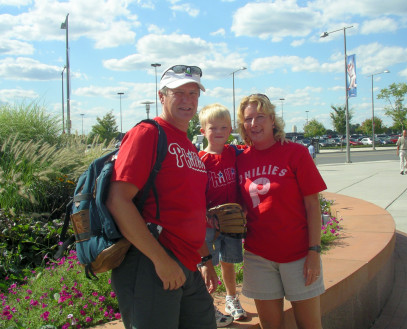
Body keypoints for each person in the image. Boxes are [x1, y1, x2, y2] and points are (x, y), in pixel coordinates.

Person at [106, 65, 217, 329]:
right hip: (152, 262)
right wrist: (160, 260)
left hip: (187, 264)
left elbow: (190, 209)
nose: (187, 100)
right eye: (178, 93)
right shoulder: (148, 133)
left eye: (193, 93)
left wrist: (206, 260)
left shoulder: (189, 145)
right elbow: (117, 200)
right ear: (161, 96)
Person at [236, 94, 326, 329]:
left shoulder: (295, 152)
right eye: (248, 119)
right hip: (258, 256)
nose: (254, 124)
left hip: (299, 255)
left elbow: (312, 205)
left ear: (273, 120)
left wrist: (314, 252)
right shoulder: (241, 159)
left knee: (309, 325)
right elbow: (244, 201)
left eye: (260, 117)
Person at [198, 103, 246, 327]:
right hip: (208, 223)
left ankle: (231, 298)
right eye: (213, 128)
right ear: (202, 131)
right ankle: (207, 305)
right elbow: (195, 194)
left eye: (224, 128)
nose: (218, 132)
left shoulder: (234, 153)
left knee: (229, 261)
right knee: (206, 264)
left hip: (231, 221)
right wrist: (204, 215)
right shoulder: (199, 160)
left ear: (230, 130)